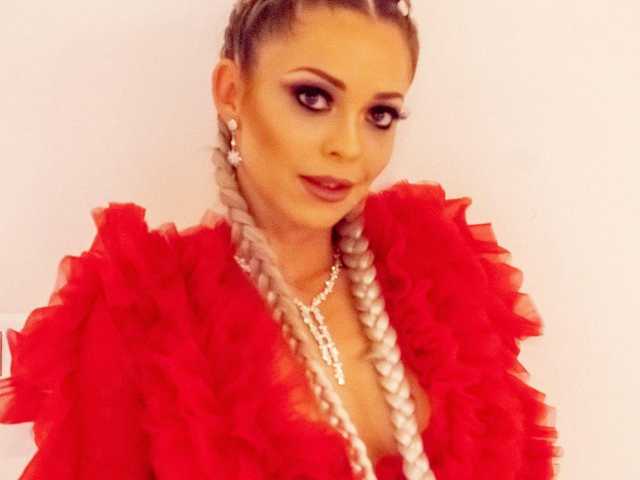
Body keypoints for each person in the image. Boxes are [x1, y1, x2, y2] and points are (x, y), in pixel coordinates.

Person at [0, 0, 562, 478]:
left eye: (380, 115)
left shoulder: (436, 277)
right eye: (313, 98)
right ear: (231, 92)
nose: (349, 147)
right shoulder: (145, 314)